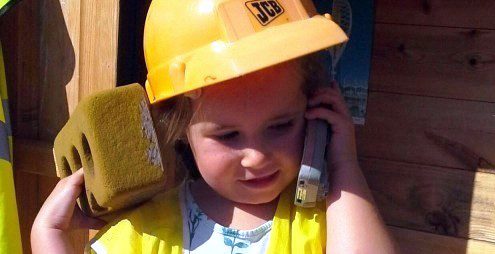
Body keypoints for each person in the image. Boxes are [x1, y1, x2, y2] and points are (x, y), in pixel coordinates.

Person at [31, 0, 396, 253]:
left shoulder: (325, 221)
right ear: (181, 129)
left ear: (315, 116)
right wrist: (48, 238)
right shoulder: (147, 228)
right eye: (228, 135)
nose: (256, 157)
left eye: (281, 126)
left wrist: (343, 164)